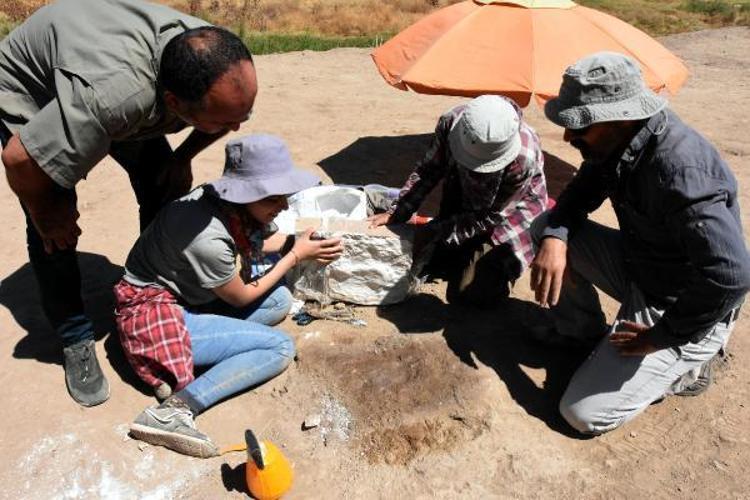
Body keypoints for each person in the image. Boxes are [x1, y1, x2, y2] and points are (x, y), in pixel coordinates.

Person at [0, 0, 257, 406]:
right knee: (55, 227)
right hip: (32, 85)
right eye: (224, 121)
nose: (236, 128)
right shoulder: (113, 100)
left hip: (104, 67)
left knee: (163, 182)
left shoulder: (217, 61)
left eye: (241, 115)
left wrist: (181, 158)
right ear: (173, 103)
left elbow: (225, 116)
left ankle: (155, 299)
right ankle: (74, 336)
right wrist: (44, 212)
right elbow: (18, 159)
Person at [529, 52, 750, 435]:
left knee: (582, 414)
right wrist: (555, 237)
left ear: (622, 117)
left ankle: (693, 362)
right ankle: (581, 331)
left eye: (580, 126)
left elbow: (731, 276)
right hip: (642, 265)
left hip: (676, 303)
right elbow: (579, 195)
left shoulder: (680, 170)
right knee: (546, 228)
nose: (567, 137)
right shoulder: (616, 142)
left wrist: (659, 337)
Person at [115, 134, 343, 457]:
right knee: (279, 347)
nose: (282, 206)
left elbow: (260, 242)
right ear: (245, 194)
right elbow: (241, 297)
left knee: (279, 300)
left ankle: (198, 358)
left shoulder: (225, 206)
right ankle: (173, 411)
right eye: (272, 198)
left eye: (284, 196)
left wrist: (295, 242)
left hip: (185, 300)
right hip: (153, 317)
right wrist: (295, 256)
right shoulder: (207, 236)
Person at [369, 95, 547, 307]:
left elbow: (491, 216)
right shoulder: (452, 121)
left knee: (468, 293)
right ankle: (458, 252)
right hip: (464, 197)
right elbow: (429, 170)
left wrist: (437, 231)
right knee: (430, 259)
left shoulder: (522, 159)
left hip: (510, 215)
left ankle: (496, 268)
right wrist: (398, 211)